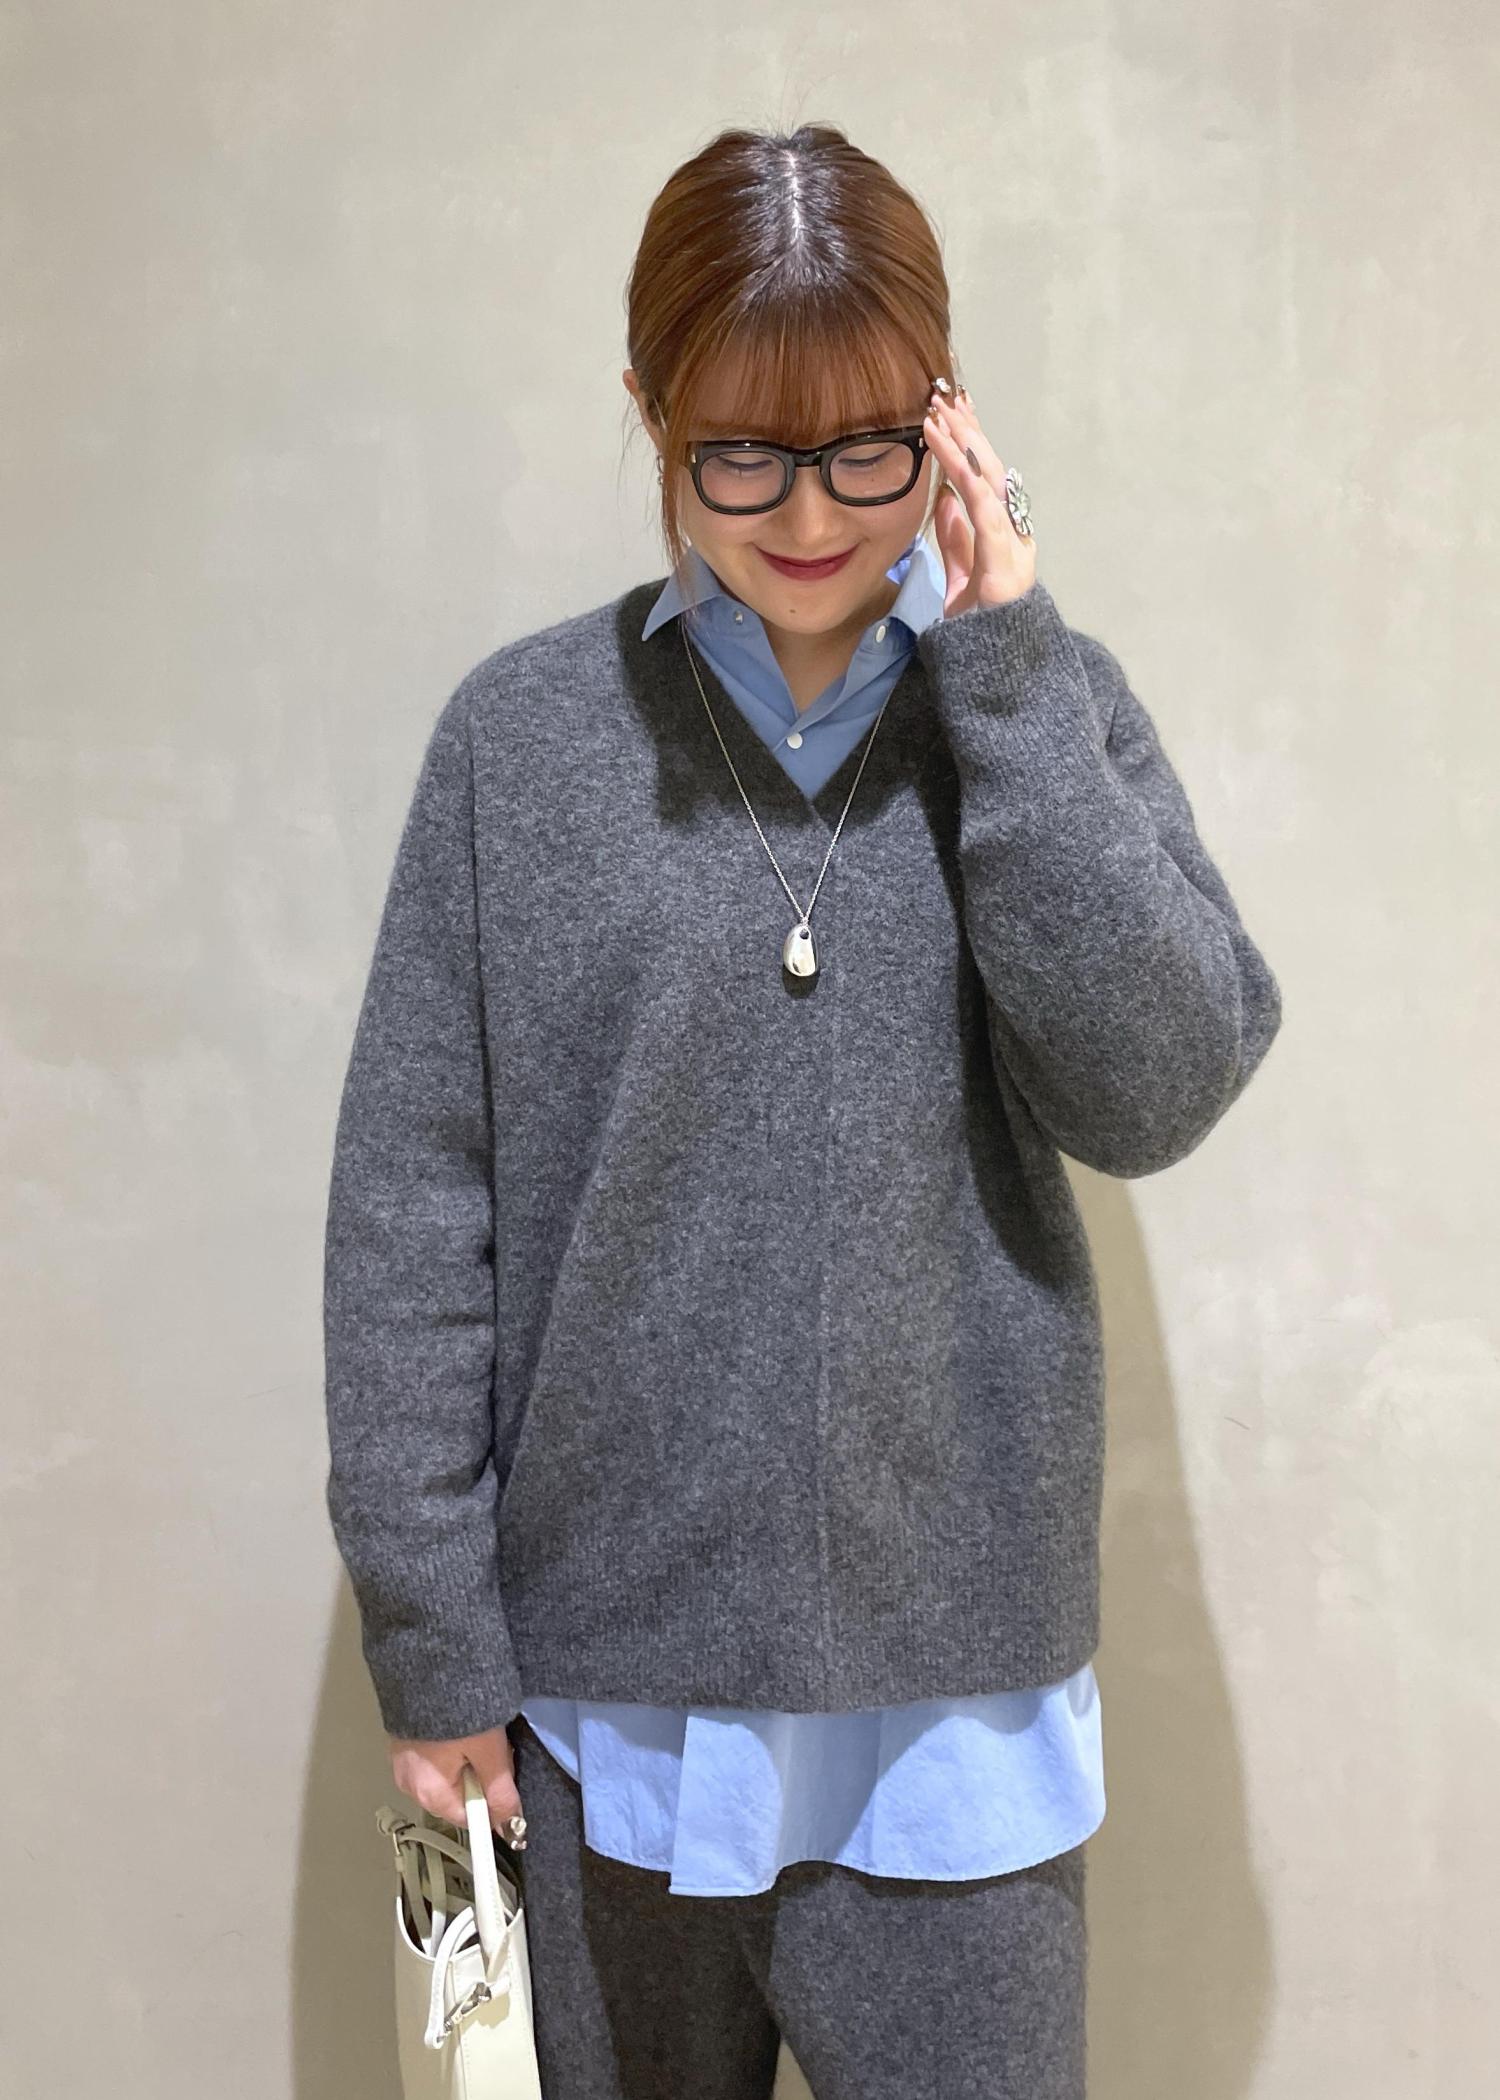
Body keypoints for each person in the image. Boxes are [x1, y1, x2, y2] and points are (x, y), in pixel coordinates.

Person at [322, 122, 1283, 2099]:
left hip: (955, 1728)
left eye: (865, 448)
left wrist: (1005, 673)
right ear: (651, 414)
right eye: (741, 455)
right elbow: (414, 1220)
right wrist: (434, 1649)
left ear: (948, 417)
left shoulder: (1040, 708)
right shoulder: (519, 745)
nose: (813, 514)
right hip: (595, 1718)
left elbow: (1161, 1086)